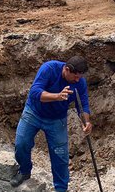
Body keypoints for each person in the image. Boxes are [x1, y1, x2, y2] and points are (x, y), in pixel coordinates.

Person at [12, 56, 92, 190]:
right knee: (21, 144)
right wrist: (57, 96)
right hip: (34, 113)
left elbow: (83, 105)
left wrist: (86, 122)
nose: (77, 80)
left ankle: (61, 188)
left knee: (60, 157)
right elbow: (34, 92)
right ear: (67, 69)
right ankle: (25, 171)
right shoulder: (49, 69)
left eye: (80, 77)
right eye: (75, 77)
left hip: (57, 119)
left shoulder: (80, 83)